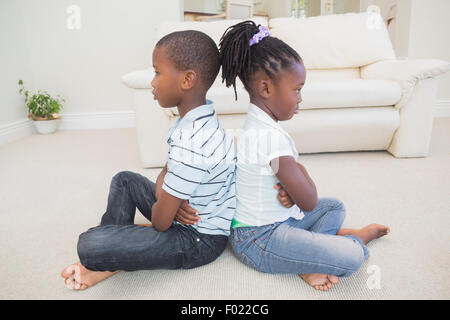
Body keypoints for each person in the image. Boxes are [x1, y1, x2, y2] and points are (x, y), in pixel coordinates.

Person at [217, 20, 390, 291]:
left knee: (334, 206)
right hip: (259, 240)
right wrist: (298, 175)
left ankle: (311, 252)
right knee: (352, 257)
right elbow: (308, 201)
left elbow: (296, 192)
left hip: (274, 223)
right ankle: (341, 246)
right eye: (297, 89)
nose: (300, 98)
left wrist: (290, 184)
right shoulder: (270, 138)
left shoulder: (257, 124)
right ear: (265, 89)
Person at [61, 30, 237, 290]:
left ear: (188, 79)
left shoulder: (192, 142)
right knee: (124, 180)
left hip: (198, 240)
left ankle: (110, 256)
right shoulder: (195, 121)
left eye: (157, 72)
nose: (152, 82)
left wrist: (167, 200)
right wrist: (170, 196)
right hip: (182, 215)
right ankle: (119, 247)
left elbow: (160, 222)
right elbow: (166, 174)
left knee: (90, 244)